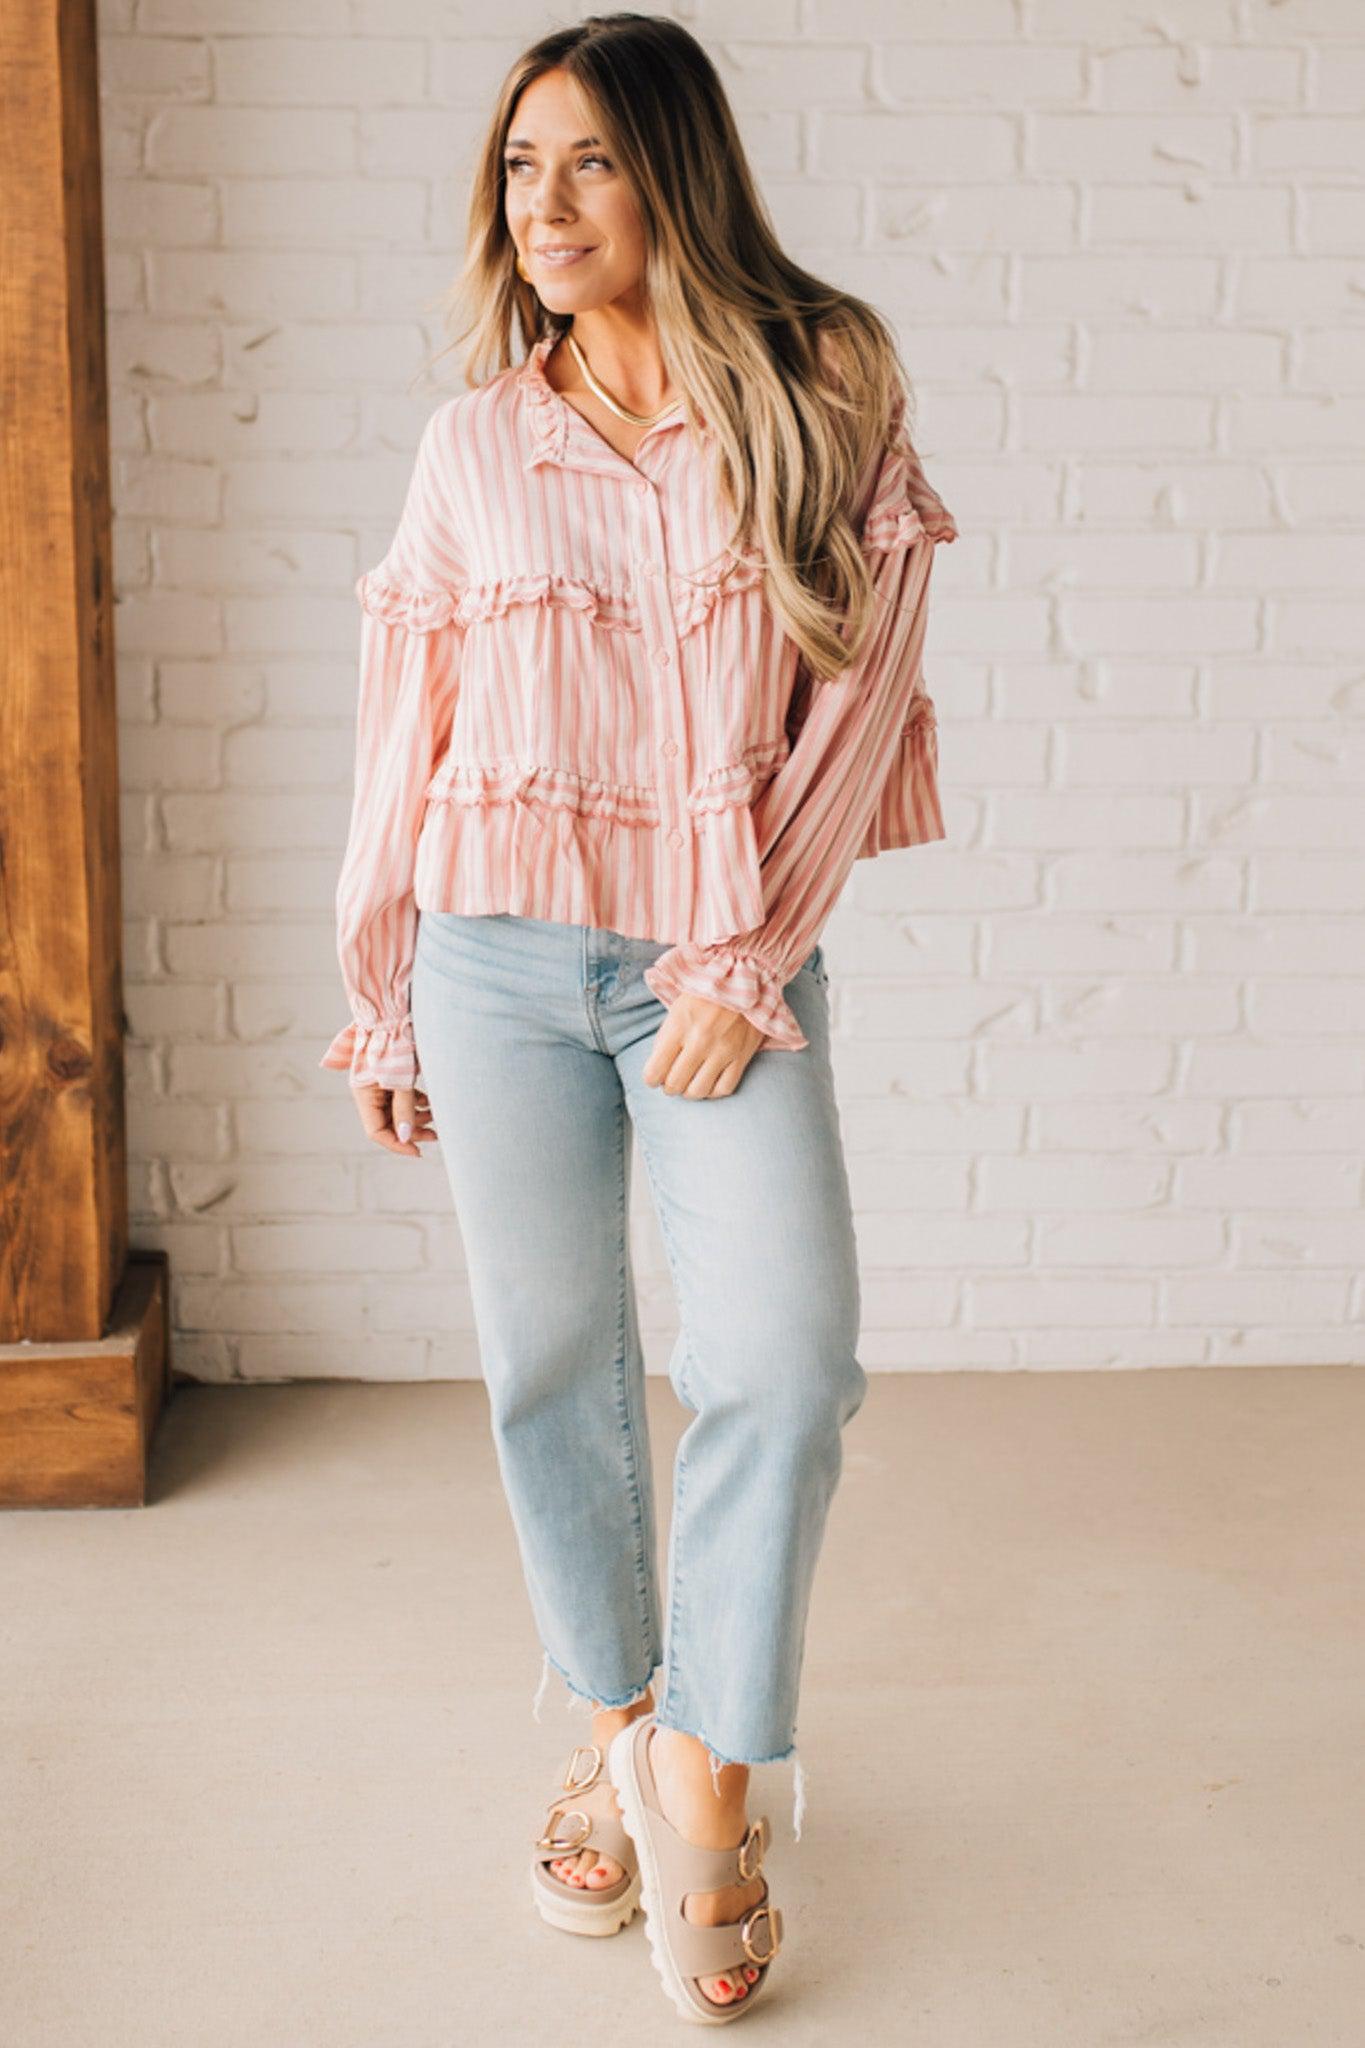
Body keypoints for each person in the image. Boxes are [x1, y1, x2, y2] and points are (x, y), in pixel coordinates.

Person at [320, 12, 956, 2024]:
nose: (547, 205)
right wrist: (379, 998)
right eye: (521, 168)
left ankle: (704, 1763)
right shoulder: (468, 442)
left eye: (588, 161)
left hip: (709, 964)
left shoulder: (820, 380)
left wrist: (738, 954)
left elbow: (856, 704)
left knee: (781, 1355)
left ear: (674, 170)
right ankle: (618, 1729)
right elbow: (395, 735)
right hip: (491, 953)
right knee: (552, 1362)